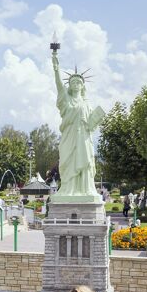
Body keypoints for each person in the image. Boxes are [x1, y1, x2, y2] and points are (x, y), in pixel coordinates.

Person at [51, 50, 105, 197]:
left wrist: (93, 122)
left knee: (85, 162)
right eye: (73, 82)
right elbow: (58, 85)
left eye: (78, 82)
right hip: (69, 136)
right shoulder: (66, 99)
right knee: (67, 162)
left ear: (82, 86)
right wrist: (56, 68)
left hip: (84, 137)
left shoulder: (87, 103)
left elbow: (92, 122)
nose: (76, 84)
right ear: (70, 85)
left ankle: (85, 189)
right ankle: (68, 189)